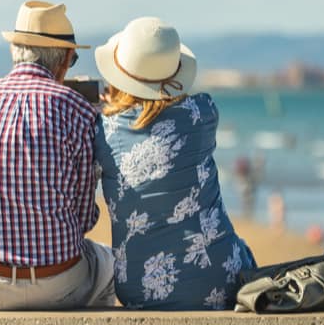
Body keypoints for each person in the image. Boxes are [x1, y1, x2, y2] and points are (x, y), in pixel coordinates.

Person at [0, 0, 115, 310]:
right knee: (107, 263)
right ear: (65, 59)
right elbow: (84, 219)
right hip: (60, 282)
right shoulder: (79, 110)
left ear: (15, 50)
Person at [94, 17, 256, 310]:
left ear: (119, 75)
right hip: (221, 278)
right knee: (242, 249)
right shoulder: (203, 112)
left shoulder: (103, 130)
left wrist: (108, 106)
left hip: (141, 288)